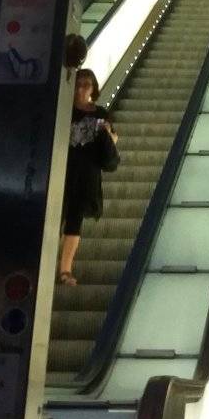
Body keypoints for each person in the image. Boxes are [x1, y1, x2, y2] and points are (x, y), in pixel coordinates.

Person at [58, 68, 119, 285]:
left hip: (87, 172)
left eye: (86, 85)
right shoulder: (64, 110)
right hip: (63, 168)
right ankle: (46, 263)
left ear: (93, 88)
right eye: (78, 84)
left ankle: (65, 270)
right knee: (56, 215)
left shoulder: (100, 113)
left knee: (75, 218)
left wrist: (109, 136)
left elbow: (112, 139)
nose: (81, 89)